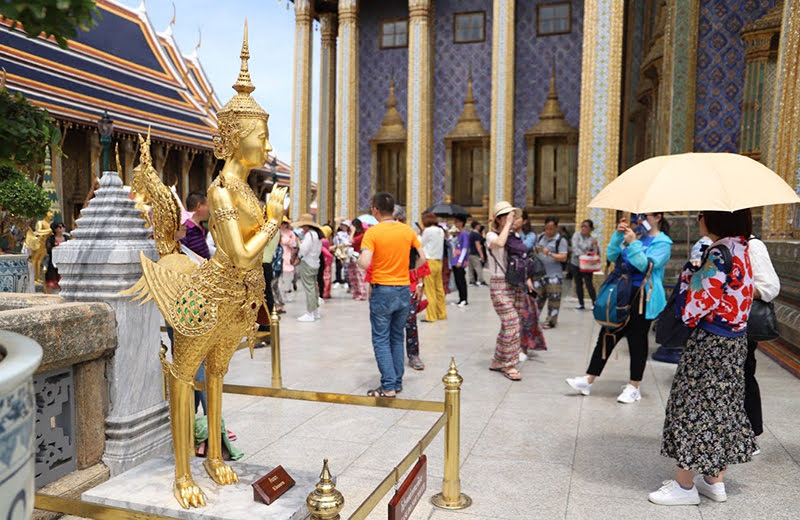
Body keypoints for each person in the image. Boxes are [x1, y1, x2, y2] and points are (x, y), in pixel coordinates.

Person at [650, 209, 756, 506]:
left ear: (714, 219)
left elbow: (697, 304)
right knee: (723, 406)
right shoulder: (742, 247)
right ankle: (714, 480)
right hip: (734, 341)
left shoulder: (719, 253)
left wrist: (687, 278)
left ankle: (684, 486)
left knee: (694, 406)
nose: (698, 218)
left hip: (710, 343)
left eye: (701, 214)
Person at [566, 213, 672, 403]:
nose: (639, 221)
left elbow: (644, 266)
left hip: (642, 298)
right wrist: (618, 236)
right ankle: (588, 379)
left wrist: (633, 244)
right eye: (637, 217)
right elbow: (613, 256)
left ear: (657, 217)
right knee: (607, 333)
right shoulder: (637, 237)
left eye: (644, 217)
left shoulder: (663, 243)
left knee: (637, 341)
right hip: (622, 293)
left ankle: (634, 386)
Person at [358, 193, 425, 397]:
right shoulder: (407, 230)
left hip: (383, 289)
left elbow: (365, 262)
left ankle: (388, 385)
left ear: (375, 210)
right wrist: (404, 269)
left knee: (381, 338)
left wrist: (357, 259)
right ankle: (396, 381)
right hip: (404, 288)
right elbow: (422, 259)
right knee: (397, 337)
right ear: (393, 209)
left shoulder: (373, 233)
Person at [744, 234, 779, 444]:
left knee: (744, 375)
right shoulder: (715, 245)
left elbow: (770, 287)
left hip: (743, 325)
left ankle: (751, 433)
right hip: (719, 326)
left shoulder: (752, 245)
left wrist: (736, 288)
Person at [486, 201, 523, 381]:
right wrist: (508, 224)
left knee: (507, 324)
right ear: (499, 219)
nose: (512, 218)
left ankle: (498, 360)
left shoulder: (513, 236)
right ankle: (509, 364)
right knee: (512, 322)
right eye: (507, 215)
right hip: (498, 284)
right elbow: (499, 244)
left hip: (512, 283)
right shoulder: (491, 236)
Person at [534, 217, 568, 328]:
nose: (549, 231)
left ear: (556, 228)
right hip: (539, 274)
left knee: (554, 299)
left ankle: (551, 321)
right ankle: (533, 318)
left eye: (551, 229)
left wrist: (549, 253)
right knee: (536, 297)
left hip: (554, 274)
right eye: (547, 228)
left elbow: (563, 257)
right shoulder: (540, 238)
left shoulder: (561, 240)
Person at [293, 214, 322, 322]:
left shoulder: (309, 235)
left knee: (309, 288)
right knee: (314, 288)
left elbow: (304, 249)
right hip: (315, 262)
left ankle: (310, 313)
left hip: (308, 263)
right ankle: (315, 311)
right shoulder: (316, 235)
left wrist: (299, 243)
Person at [420, 212, 447, 322]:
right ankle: (441, 313)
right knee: (439, 289)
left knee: (429, 290)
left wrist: (420, 235)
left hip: (429, 261)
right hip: (438, 261)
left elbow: (421, 244)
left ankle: (431, 316)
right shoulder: (441, 230)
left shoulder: (427, 231)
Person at [570, 219, 599, 310]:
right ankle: (581, 303)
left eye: (586, 226)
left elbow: (596, 253)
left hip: (587, 265)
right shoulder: (576, 235)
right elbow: (575, 248)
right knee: (578, 283)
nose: (583, 228)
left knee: (588, 283)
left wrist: (595, 245)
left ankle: (594, 303)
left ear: (591, 228)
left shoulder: (592, 239)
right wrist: (583, 254)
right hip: (576, 263)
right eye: (582, 226)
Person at [450, 215, 470, 306]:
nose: (455, 224)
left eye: (457, 222)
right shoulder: (459, 234)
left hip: (459, 261)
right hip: (455, 259)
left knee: (461, 280)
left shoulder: (465, 234)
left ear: (462, 223)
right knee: (457, 280)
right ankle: (460, 298)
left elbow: (465, 248)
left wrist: (460, 261)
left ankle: (464, 299)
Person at [44, 221, 68, 293]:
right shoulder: (51, 239)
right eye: (59, 227)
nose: (62, 229)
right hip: (54, 261)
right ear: (55, 229)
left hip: (64, 260)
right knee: (51, 279)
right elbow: (48, 249)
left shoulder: (67, 238)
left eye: (62, 227)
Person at [348, 219, 368, 300]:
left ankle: (362, 293)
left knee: (359, 275)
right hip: (352, 256)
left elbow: (351, 241)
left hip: (358, 256)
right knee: (353, 276)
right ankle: (356, 292)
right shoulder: (355, 234)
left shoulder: (362, 235)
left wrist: (352, 232)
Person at [279, 219, 297, 301]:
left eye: (285, 223)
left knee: (288, 276)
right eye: (282, 223)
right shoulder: (277, 232)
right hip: (279, 254)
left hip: (288, 254)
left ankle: (286, 292)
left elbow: (293, 243)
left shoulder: (291, 233)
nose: (283, 225)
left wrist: (287, 240)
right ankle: (280, 294)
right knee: (279, 277)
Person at [467, 221, 486, 286]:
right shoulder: (476, 234)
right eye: (479, 225)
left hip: (470, 253)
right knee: (478, 267)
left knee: (471, 268)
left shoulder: (471, 233)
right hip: (475, 253)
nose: (480, 226)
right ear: (476, 226)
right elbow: (477, 245)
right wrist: (481, 254)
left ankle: (472, 281)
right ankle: (481, 280)